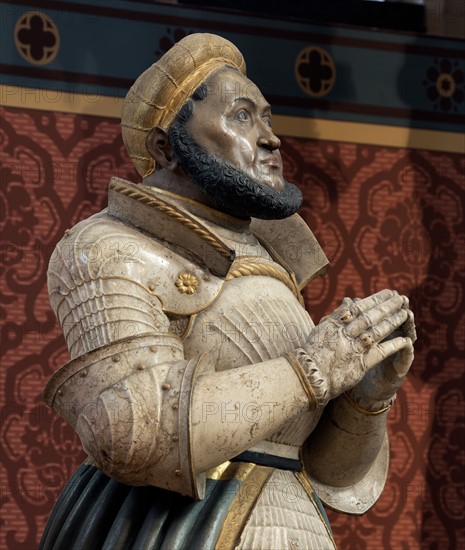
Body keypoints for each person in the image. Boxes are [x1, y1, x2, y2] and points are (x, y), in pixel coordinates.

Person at [40, 33, 415, 549]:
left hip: (294, 521)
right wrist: (314, 370)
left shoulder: (269, 264)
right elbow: (128, 429)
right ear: (165, 145)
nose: (270, 138)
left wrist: (366, 398)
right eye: (241, 116)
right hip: (169, 528)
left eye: (266, 117)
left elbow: (329, 474)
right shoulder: (107, 247)